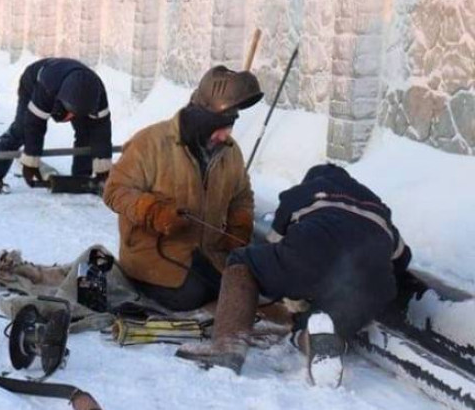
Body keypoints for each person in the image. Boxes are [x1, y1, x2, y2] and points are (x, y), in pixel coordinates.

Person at [176, 163, 412, 387]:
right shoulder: (378, 207)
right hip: (372, 284)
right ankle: (316, 342)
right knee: (320, 322)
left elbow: (275, 243)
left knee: (242, 262)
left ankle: (227, 347)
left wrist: (289, 284)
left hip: (313, 251)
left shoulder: (302, 192)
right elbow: (402, 259)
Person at [102, 66, 264, 312]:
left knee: (244, 289)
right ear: (202, 119)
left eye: (230, 125)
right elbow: (114, 190)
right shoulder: (150, 143)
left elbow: (242, 197)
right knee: (191, 297)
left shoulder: (230, 151)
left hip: (208, 255)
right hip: (153, 258)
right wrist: (153, 211)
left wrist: (239, 229)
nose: (225, 135)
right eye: (220, 126)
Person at [0, 58, 113, 193]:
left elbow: (101, 133)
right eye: (72, 113)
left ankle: (82, 179)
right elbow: (33, 126)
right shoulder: (47, 88)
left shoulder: (97, 96)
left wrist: (102, 171)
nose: (73, 118)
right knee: (21, 130)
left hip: (70, 88)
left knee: (87, 132)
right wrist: (31, 162)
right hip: (35, 82)